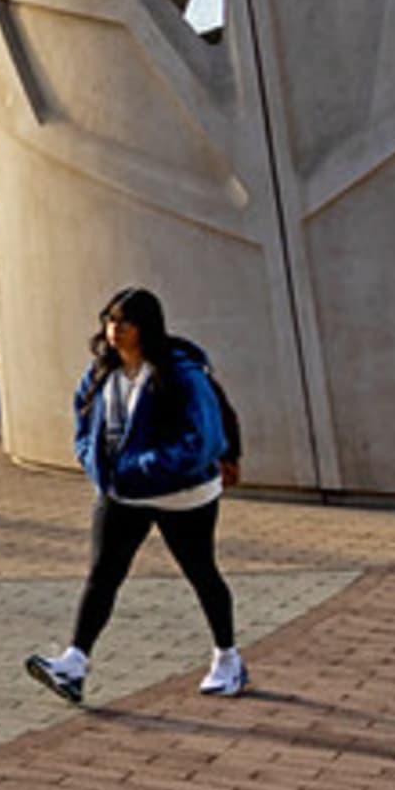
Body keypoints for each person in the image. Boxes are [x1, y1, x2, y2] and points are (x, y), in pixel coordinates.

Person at [25, 287, 245, 704]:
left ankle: (228, 659)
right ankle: (74, 663)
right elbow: (83, 423)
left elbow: (201, 440)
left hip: (183, 494)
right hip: (122, 494)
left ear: (145, 327)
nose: (114, 329)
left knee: (202, 573)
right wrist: (95, 463)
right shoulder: (101, 373)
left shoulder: (181, 373)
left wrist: (142, 468)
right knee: (103, 574)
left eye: (124, 321)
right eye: (109, 320)